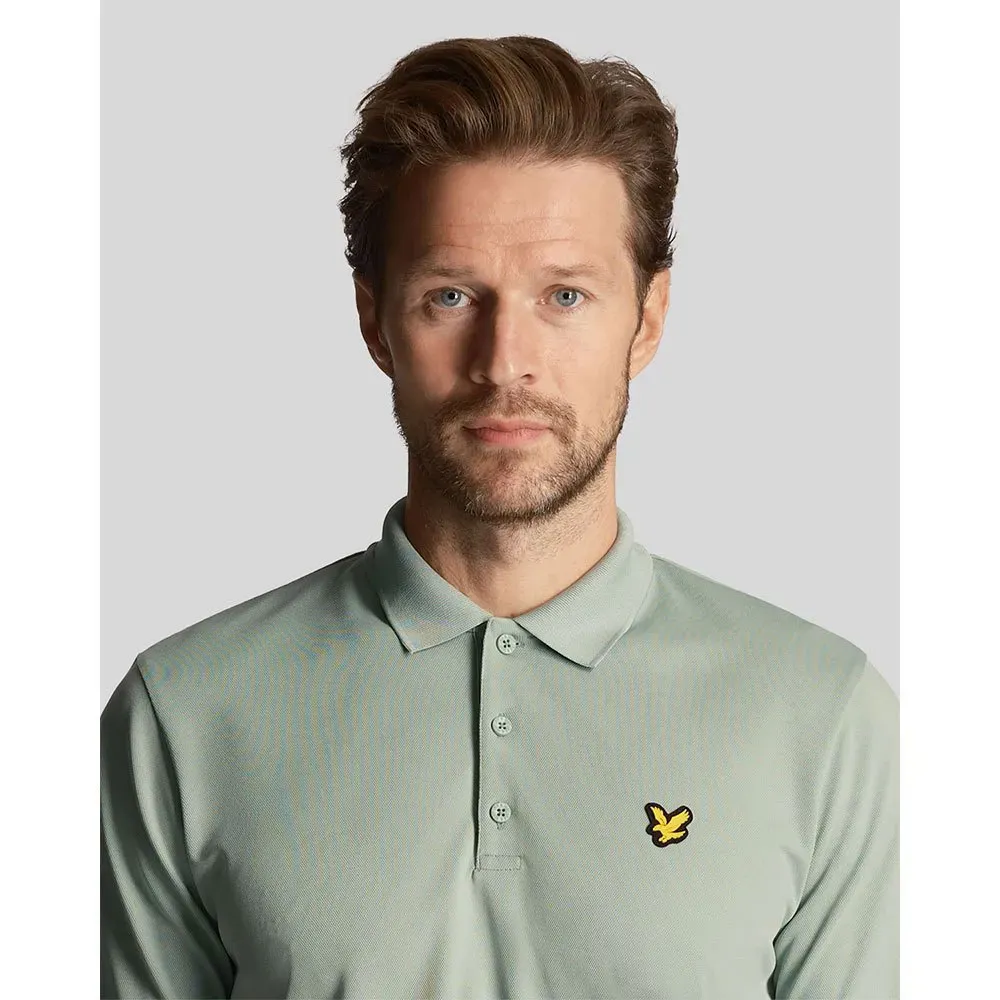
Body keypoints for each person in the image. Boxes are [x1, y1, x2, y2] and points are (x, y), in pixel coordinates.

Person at [101, 34, 899, 1000]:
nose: (503, 360)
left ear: (647, 319)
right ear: (374, 321)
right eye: (449, 295)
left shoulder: (822, 715)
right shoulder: (185, 715)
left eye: (564, 294)